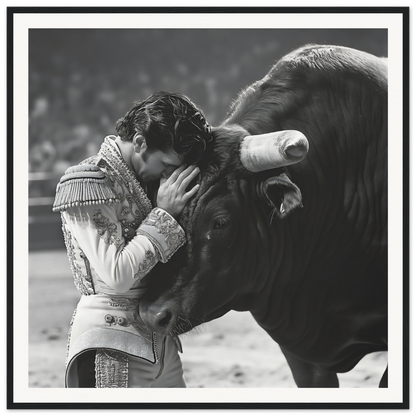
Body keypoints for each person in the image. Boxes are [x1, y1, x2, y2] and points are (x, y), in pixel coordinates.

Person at [52, 91, 214, 388]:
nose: (170, 175)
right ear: (139, 142)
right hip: (110, 344)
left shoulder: (147, 182)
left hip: (161, 344)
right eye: (166, 164)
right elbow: (118, 276)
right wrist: (164, 213)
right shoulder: (90, 181)